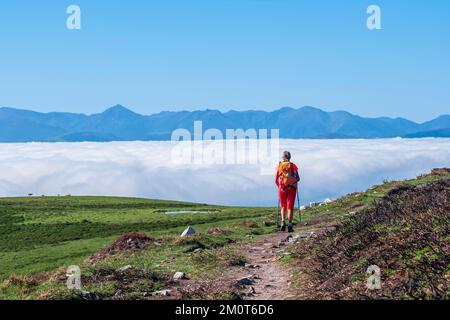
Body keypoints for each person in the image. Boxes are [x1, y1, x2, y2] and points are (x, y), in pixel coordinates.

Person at [275, 151, 300, 233]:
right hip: (292, 188)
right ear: (290, 157)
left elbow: (276, 180)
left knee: (283, 206)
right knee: (290, 207)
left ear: (283, 157)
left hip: (282, 188)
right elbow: (298, 178)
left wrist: (279, 187)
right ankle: (289, 225)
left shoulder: (279, 166)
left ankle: (283, 223)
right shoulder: (293, 166)